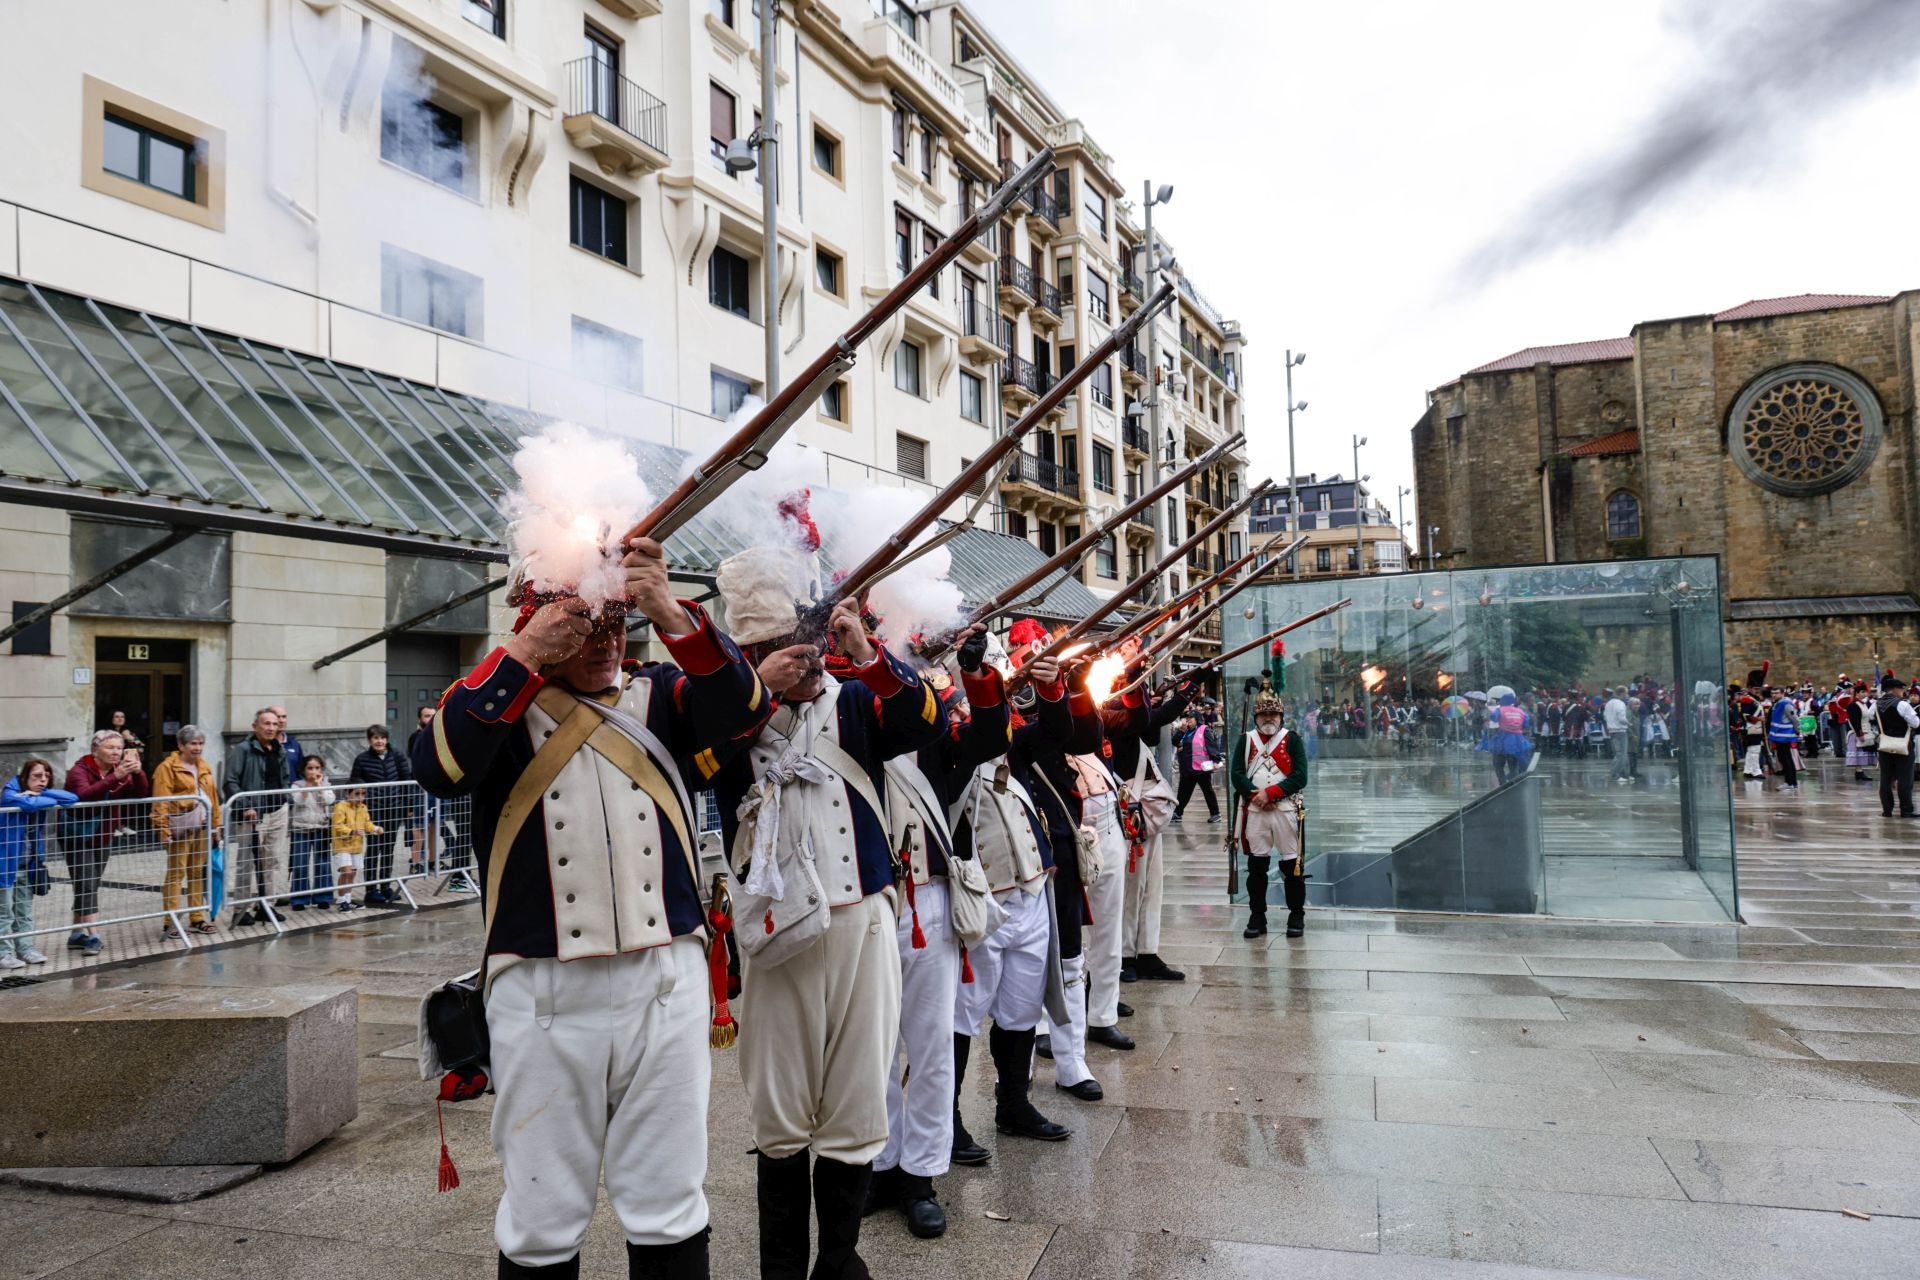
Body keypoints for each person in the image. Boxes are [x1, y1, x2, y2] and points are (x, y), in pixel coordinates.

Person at [412, 536, 766, 1279]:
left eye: (617, 622)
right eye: (587, 622)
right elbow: (441, 767)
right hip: (543, 991)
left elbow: (745, 706)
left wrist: (667, 608)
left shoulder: (662, 697)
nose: (607, 640)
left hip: (664, 983)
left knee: (670, 1205)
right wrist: (524, 652)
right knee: (541, 1220)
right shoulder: (498, 702)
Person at [712, 543, 943, 1280]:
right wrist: (749, 686)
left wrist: (865, 650)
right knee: (779, 1117)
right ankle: (782, 1269)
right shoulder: (723, 720)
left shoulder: (859, 702)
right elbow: (698, 735)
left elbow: (928, 722)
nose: (800, 657)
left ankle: (839, 1259)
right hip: (775, 937)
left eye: (803, 642)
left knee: (854, 1106)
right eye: (777, 648)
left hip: (864, 924)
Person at [866, 626, 1010, 1239]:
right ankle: (878, 1161)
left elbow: (988, 735)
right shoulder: (850, 722)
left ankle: (921, 1172)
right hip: (868, 906)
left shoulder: (935, 735)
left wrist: (978, 676)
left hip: (928, 900)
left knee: (927, 1048)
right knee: (871, 1051)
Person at [950, 643, 1073, 1165]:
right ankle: (946, 1117)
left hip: (1029, 894)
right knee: (959, 1017)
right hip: (980, 903)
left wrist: (1049, 689)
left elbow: (1057, 734)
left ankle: (1013, 1103)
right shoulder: (945, 746)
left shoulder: (1009, 746)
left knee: (1021, 1009)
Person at [1102, 670, 1189, 986]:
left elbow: (1151, 728)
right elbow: (1154, 719)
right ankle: (1125, 955)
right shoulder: (1108, 714)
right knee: (1130, 888)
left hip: (1148, 809)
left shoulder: (1130, 712)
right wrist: (1187, 690)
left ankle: (1147, 952)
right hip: (1130, 808)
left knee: (1152, 886)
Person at [62, 729, 149, 953]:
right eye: (110, 747)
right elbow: (84, 795)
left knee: (89, 884)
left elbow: (141, 794)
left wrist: (138, 773)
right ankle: (94, 936)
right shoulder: (79, 770)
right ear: (95, 749)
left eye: (119, 748)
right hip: (78, 835)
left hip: (103, 834)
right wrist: (115, 777)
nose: (116, 752)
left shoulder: (119, 770)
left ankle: (76, 934)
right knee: (87, 883)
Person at [1230, 694, 1309, 939]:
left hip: (1285, 809)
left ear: (1280, 717)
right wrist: (1256, 796)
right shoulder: (1246, 740)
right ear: (1256, 717)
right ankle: (1257, 916)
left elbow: (1300, 776)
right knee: (1256, 867)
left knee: (1291, 866)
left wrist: (1272, 793)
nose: (1268, 719)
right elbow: (1236, 774)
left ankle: (1296, 915)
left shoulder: (1291, 740)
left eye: (1273, 715)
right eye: (1264, 715)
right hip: (1255, 810)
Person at [1, 759, 75, 967]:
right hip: (5, 865)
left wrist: (40, 795)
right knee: (4, 912)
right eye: (37, 776)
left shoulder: (34, 794)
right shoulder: (9, 794)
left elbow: (71, 797)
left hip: (28, 864)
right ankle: (2, 952)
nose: (43, 780)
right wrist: (29, 798)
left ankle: (25, 949)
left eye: (46, 776)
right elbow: (24, 804)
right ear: (24, 777)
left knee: (24, 911)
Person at [223, 708, 292, 927]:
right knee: (246, 862)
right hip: (251, 814)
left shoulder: (279, 749)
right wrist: (245, 806)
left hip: (277, 811)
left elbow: (284, 778)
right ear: (255, 726)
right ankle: (241, 909)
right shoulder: (243, 750)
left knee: (271, 860)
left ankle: (266, 906)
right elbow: (230, 781)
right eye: (266, 723)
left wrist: (286, 799)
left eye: (274, 724)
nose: (271, 727)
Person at [151, 727, 221, 939]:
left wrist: (216, 826)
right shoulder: (167, 767)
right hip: (181, 827)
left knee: (197, 871)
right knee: (176, 873)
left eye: (200, 743)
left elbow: (214, 798)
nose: (197, 747)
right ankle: (170, 921)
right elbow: (160, 799)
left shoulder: (204, 767)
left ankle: (197, 917)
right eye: (193, 743)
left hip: (202, 826)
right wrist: (162, 828)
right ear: (181, 745)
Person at [347, 724, 411, 905]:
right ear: (369, 740)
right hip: (372, 812)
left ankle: (385, 886)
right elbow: (354, 783)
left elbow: (406, 780)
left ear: (387, 739)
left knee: (388, 849)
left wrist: (408, 807)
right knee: (374, 849)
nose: (379, 741)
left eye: (382, 738)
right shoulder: (362, 759)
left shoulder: (397, 756)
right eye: (375, 738)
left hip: (394, 810)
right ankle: (371, 889)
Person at [288, 755, 336, 910]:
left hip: (320, 828)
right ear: (303, 770)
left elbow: (328, 801)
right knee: (300, 864)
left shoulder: (326, 784)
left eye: (317, 768)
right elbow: (298, 801)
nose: (313, 771)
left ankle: (323, 896)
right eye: (310, 768)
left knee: (322, 864)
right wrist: (308, 786)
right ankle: (299, 899)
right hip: (301, 828)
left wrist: (320, 786)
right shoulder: (297, 785)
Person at [1875, 675, 1919, 818]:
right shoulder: (1902, 704)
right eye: (1900, 688)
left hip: (1885, 745)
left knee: (1886, 778)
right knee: (1905, 778)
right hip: (1903, 745)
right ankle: (1906, 810)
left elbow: (1871, 718)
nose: (1902, 691)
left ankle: (1887, 810)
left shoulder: (1876, 704)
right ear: (1893, 689)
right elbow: (1915, 723)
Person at [329, 785, 378, 911]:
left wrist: (375, 829)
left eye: (363, 794)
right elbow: (337, 826)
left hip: (356, 846)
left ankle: (348, 899)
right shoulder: (340, 807)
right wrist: (352, 832)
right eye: (357, 794)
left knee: (352, 873)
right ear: (347, 793)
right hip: (342, 845)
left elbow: (367, 823)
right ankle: (341, 901)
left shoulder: (363, 807)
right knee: (347, 871)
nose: (360, 797)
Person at [1174, 710, 1222, 821]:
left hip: (1201, 769)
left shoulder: (1204, 730)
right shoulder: (1185, 731)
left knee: (1208, 791)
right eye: (1187, 718)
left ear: (1197, 719)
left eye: (1191, 718)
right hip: (1187, 768)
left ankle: (1216, 814)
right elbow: (1175, 742)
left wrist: (1216, 760)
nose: (1188, 720)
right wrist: (1180, 732)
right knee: (1182, 793)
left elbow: (1211, 745)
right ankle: (1177, 813)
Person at [1767, 686, 1802, 790]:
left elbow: (1794, 718)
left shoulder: (1785, 704)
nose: (1774, 695)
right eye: (1772, 693)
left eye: (1776, 693)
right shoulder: (1777, 704)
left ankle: (1790, 782)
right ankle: (1790, 782)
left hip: (1785, 736)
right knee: (1783, 758)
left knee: (1786, 758)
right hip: (1779, 736)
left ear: (1782, 693)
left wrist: (1797, 731)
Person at [1603, 688, 1631, 783]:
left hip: (1612, 730)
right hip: (1620, 730)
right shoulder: (1620, 704)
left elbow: (1605, 716)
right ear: (1622, 693)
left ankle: (1625, 774)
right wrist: (1628, 723)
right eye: (1626, 693)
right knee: (1622, 754)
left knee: (1620, 753)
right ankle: (1615, 774)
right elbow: (1621, 718)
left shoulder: (1608, 703)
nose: (1627, 695)